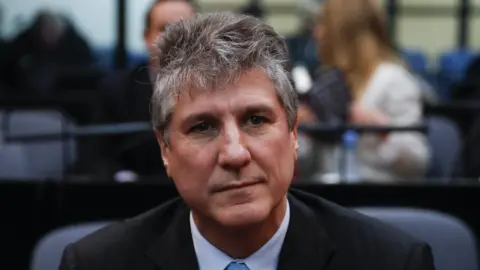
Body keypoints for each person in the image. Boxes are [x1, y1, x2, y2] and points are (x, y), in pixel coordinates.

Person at [59, 13, 434, 270]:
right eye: (202, 127)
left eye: (256, 120)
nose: (235, 153)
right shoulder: (96, 263)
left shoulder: (391, 262)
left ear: (292, 134)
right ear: (165, 150)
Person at [302, 0, 430, 183]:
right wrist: (301, 130)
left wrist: (382, 128)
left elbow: (416, 163)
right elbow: (305, 165)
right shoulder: (326, 82)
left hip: (378, 197)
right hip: (329, 193)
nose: (316, 33)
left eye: (323, 24)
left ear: (344, 33)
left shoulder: (394, 81)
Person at [92, 0, 195, 180]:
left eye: (186, 29)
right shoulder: (115, 89)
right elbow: (96, 156)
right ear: (147, 37)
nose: (176, 39)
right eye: (165, 29)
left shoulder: (220, 89)